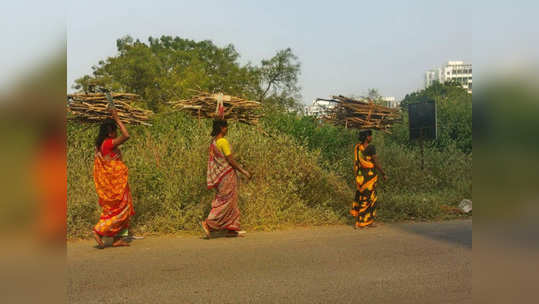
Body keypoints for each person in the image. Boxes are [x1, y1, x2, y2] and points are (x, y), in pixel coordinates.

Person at [92, 108, 134, 248]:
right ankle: (99, 230)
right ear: (110, 132)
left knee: (114, 209)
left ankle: (116, 239)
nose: (117, 133)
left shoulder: (100, 145)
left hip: (113, 182)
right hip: (116, 183)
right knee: (122, 209)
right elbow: (127, 135)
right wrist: (117, 118)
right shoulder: (109, 143)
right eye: (115, 129)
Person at [201, 119, 251, 238]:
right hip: (227, 175)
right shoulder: (223, 141)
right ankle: (209, 223)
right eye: (226, 127)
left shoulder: (213, 142)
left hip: (219, 176)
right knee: (225, 201)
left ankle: (231, 228)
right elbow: (230, 160)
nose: (227, 129)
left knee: (230, 200)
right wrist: (244, 171)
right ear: (222, 128)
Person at [350, 130, 387, 229]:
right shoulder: (371, 147)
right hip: (369, 178)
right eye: (371, 136)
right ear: (367, 137)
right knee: (369, 199)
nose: (372, 138)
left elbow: (358, 161)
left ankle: (368, 221)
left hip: (361, 177)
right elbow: (375, 162)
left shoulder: (358, 147)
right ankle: (361, 222)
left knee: (362, 198)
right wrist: (383, 173)